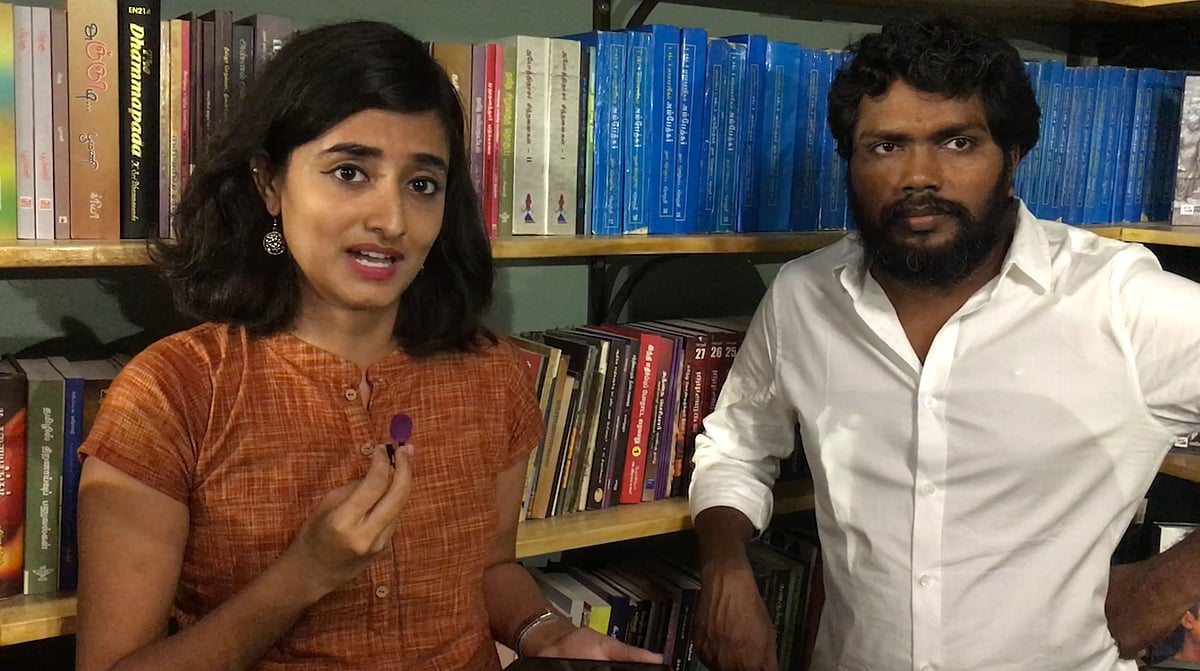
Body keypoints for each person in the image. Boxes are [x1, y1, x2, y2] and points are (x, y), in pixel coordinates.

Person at [74, 21, 660, 671]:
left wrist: (546, 634)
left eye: (422, 184)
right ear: (269, 183)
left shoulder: (491, 372)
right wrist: (303, 575)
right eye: (350, 171)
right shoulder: (175, 392)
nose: (391, 220)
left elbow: (490, 568)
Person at [688, 15, 1200, 671]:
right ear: (851, 162)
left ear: (1013, 157)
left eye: (958, 142)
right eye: (886, 146)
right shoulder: (803, 296)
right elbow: (736, 445)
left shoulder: (1120, 303)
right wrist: (725, 565)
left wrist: (1167, 585)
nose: (918, 176)